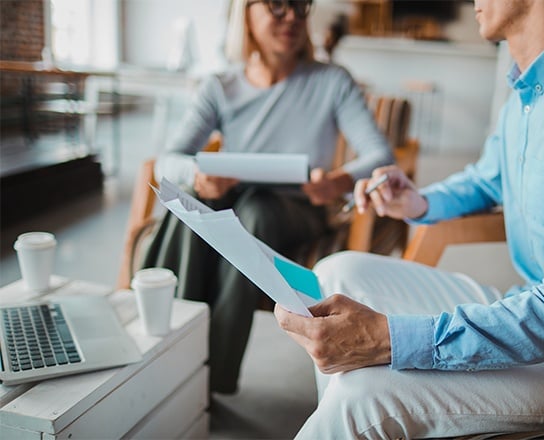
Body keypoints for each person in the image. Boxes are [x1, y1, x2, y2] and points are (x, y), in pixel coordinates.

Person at [274, 0, 544, 437]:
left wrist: (389, 339)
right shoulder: (528, 94)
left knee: (362, 401)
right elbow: (487, 179)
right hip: (536, 304)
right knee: (337, 271)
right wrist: (416, 203)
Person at [141, 0, 394, 395]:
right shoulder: (219, 87)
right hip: (236, 203)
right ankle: (169, 360)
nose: (291, 16)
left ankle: (210, 381)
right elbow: (165, 163)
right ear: (246, 14)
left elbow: (381, 156)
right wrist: (198, 176)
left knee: (253, 212)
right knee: (193, 205)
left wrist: (338, 181)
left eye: (299, 6)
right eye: (277, 5)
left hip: (300, 209)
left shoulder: (332, 81)